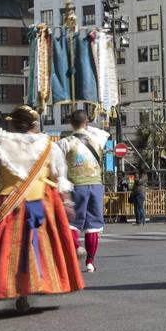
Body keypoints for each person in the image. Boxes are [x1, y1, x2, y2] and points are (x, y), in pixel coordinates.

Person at [0, 105, 82, 312]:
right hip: (41, 201)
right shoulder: (48, 146)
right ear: (34, 125)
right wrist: (67, 203)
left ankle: (11, 287)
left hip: (8, 202)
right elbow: (59, 176)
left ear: (12, 124)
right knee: (41, 247)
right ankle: (37, 283)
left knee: (7, 249)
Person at [60, 109, 111, 272]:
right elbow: (102, 131)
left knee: (71, 222)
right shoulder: (99, 138)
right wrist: (87, 126)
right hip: (96, 185)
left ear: (70, 123)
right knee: (93, 224)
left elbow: (58, 165)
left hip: (75, 185)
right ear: (87, 122)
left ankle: (76, 246)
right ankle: (90, 262)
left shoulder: (65, 142)